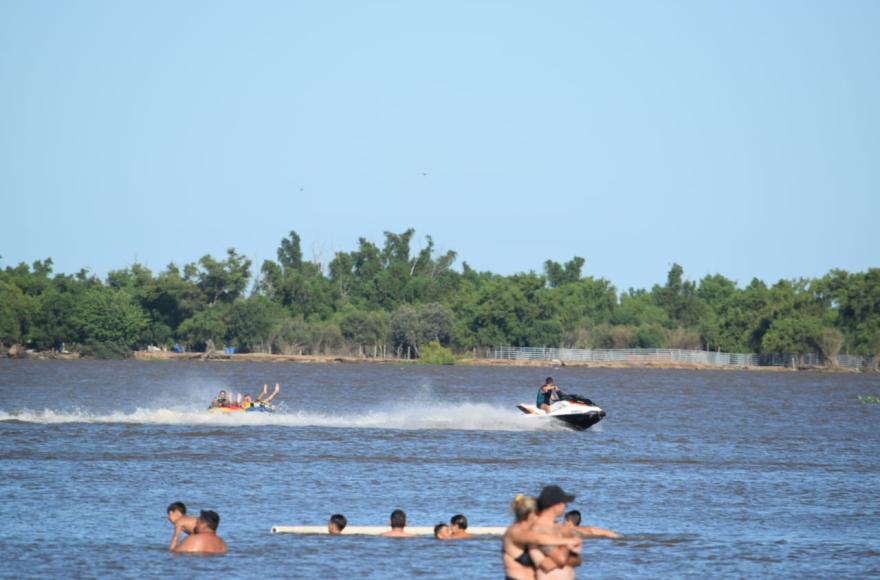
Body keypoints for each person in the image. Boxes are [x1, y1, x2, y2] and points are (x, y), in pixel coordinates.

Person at [502, 495, 582, 580]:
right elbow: (538, 539)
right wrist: (567, 541)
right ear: (531, 514)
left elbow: (576, 560)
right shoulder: (515, 531)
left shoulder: (536, 531)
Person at [528, 485, 583, 579]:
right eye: (563, 503)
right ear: (553, 505)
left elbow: (578, 560)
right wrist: (568, 541)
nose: (566, 506)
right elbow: (546, 565)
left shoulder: (559, 530)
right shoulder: (539, 531)